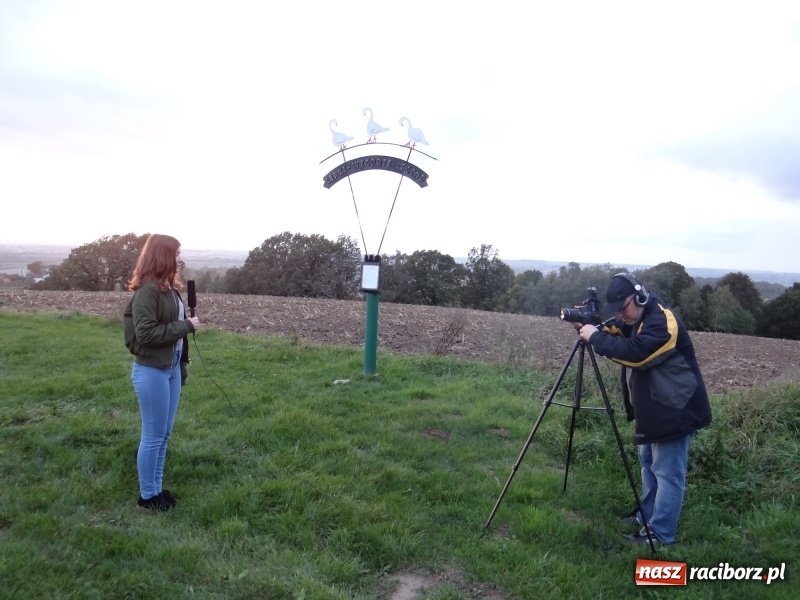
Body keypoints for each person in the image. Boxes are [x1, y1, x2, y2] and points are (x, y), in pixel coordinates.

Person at [577, 273, 711, 546]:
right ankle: (646, 516)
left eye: (622, 308)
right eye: (615, 310)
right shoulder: (637, 318)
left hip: (676, 408)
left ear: (639, 297)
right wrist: (588, 325)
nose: (619, 314)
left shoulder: (663, 321)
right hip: (654, 407)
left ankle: (661, 535)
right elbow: (615, 331)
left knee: (668, 474)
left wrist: (595, 338)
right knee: (649, 465)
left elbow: (637, 354)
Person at [123, 234, 201, 511]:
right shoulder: (147, 292)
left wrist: (181, 363)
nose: (180, 258)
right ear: (163, 256)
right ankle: (147, 498)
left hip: (171, 368)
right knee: (153, 435)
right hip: (151, 370)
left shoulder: (168, 289)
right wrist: (187, 326)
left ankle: (156, 489)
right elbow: (145, 334)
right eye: (176, 253)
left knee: (164, 434)